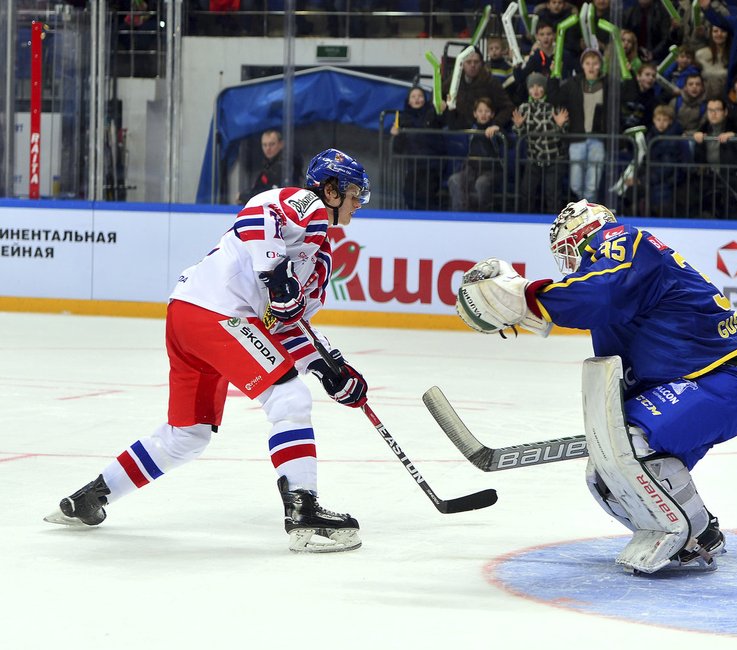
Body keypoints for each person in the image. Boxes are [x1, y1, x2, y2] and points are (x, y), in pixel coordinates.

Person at [44, 148, 372, 553]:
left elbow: (286, 323)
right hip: (215, 311)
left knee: (187, 436)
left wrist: (327, 368)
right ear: (330, 189)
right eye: (355, 193)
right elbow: (257, 210)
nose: (360, 204)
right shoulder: (308, 207)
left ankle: (90, 497)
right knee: (288, 395)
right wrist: (274, 272)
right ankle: (303, 512)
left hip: (191, 317)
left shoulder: (319, 263)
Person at [453, 200, 737, 574]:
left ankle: (692, 535)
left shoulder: (622, 238)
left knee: (632, 445)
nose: (570, 264)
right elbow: (618, 344)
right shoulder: (614, 293)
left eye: (567, 253)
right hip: (700, 381)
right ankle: (700, 532)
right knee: (607, 473)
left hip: (725, 376)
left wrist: (531, 296)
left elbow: (603, 293)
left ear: (579, 236)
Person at [557, 48, 609, 203]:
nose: (591, 67)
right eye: (588, 63)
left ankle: (590, 217)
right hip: (577, 139)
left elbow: (629, 93)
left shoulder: (607, 84)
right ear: (582, 65)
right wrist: (555, 74)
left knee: (592, 185)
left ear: (600, 65)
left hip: (598, 140)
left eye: (595, 63)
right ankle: (580, 211)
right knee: (575, 183)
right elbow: (555, 97)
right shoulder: (573, 84)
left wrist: (628, 72)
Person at [512, 73, 569, 214]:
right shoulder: (524, 108)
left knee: (552, 195)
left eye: (539, 86)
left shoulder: (552, 107)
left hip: (554, 159)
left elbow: (563, 135)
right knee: (526, 193)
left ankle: (555, 225)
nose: (535, 90)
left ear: (545, 88)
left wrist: (561, 126)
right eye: (532, 87)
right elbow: (520, 135)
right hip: (533, 159)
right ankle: (526, 222)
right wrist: (518, 126)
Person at [391, 86, 444, 210]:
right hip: (413, 165)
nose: (417, 99)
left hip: (432, 164)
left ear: (425, 99)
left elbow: (443, 123)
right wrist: (396, 135)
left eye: (420, 96)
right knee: (409, 193)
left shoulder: (432, 112)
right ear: (409, 101)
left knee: (427, 194)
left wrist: (443, 110)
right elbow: (397, 148)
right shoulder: (403, 118)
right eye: (413, 97)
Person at [448, 97, 504, 212]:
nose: (483, 114)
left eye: (487, 111)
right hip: (471, 169)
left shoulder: (496, 130)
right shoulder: (471, 128)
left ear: (492, 114)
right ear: (475, 114)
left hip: (491, 170)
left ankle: (482, 216)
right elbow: (453, 125)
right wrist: (451, 108)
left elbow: (510, 143)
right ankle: (460, 215)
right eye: (480, 111)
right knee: (454, 180)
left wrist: (498, 129)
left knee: (481, 183)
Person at [237, 129, 303, 204]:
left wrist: (244, 196)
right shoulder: (267, 165)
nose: (268, 148)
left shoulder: (285, 165)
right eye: (264, 145)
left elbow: (270, 194)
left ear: (281, 144)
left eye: (272, 144)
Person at [696, 25, 730, 99]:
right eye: (715, 31)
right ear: (710, 34)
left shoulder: (734, 56)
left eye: (723, 31)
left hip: (727, 100)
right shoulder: (700, 54)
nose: (719, 34)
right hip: (704, 100)